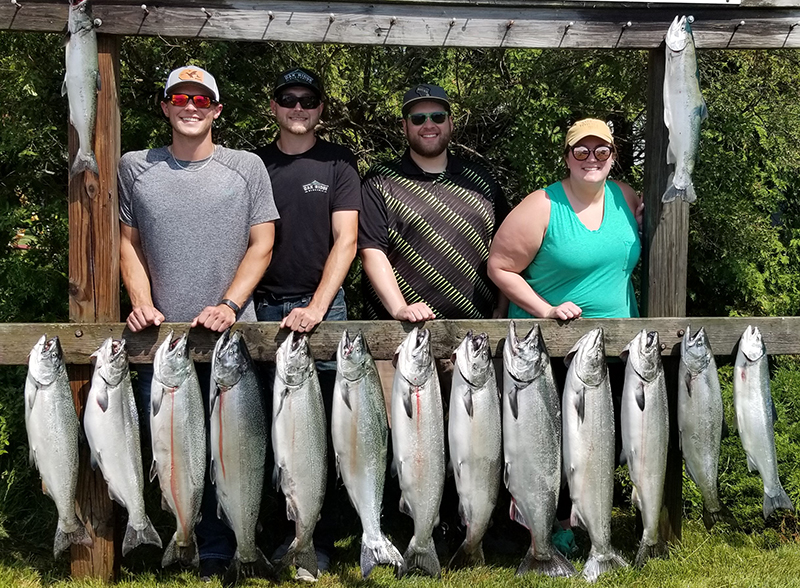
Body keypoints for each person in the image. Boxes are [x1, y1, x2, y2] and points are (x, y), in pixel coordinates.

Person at [118, 65, 278, 582]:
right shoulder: (134, 167)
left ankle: (236, 544)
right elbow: (129, 243)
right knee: (173, 450)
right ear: (165, 106)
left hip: (231, 340)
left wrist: (230, 304)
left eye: (202, 99)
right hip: (162, 344)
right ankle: (192, 542)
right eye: (180, 97)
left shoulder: (247, 166)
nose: (191, 106)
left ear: (217, 110)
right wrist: (140, 300)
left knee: (237, 451)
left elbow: (263, 243)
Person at [487, 117, 643, 554]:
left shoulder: (625, 197)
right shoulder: (542, 206)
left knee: (602, 442)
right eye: (581, 150)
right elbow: (499, 266)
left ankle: (586, 518)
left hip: (612, 346)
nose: (591, 159)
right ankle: (548, 527)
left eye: (601, 151)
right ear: (566, 156)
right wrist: (546, 310)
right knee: (548, 443)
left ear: (613, 156)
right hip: (550, 348)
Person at [251, 67, 360, 581]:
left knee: (322, 433)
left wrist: (318, 306)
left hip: (322, 312)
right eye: (288, 98)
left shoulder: (338, 162)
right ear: (273, 105)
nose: (299, 107)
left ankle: (317, 540)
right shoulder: (254, 165)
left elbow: (347, 241)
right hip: (262, 310)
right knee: (272, 433)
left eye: (308, 100)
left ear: (320, 108)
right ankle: (277, 535)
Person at [359, 83, 508, 322]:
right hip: (400, 335)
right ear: (404, 126)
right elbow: (371, 250)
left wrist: (503, 306)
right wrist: (399, 309)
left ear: (450, 122)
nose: (429, 125)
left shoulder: (480, 179)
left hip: (475, 336)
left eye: (437, 117)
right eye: (418, 119)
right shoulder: (380, 180)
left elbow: (507, 247)